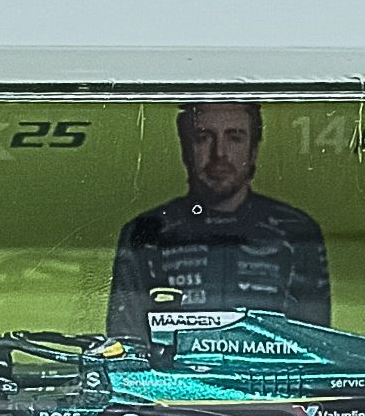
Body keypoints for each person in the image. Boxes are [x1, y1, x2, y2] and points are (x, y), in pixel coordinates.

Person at [107, 102, 330, 339]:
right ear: (185, 147)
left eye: (234, 138)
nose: (219, 153)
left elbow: (315, 345)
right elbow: (126, 345)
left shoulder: (296, 232)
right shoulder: (146, 232)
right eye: (203, 138)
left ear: (253, 150)